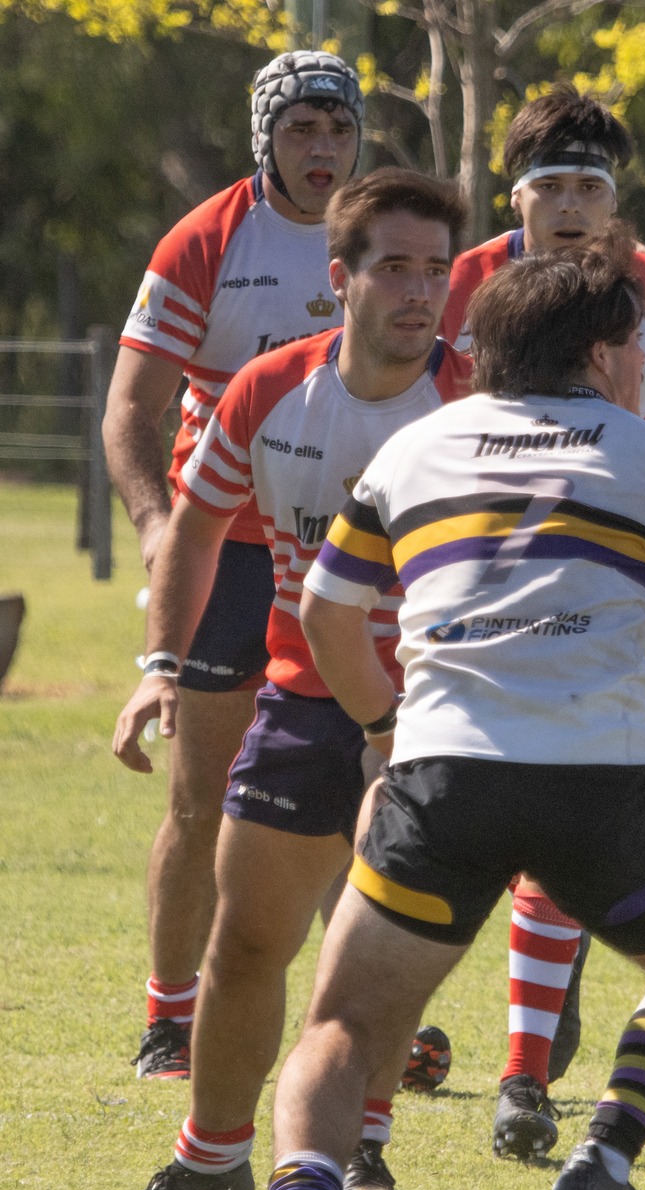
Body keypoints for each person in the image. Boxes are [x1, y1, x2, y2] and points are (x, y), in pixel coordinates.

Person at [245, 240, 645, 1190]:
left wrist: (380, 725)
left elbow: (326, 613)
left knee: (342, 1022)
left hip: (444, 775)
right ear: (602, 357)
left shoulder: (411, 453)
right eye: (640, 346)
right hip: (603, 783)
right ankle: (605, 1152)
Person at [108, 170, 471, 1190]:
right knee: (247, 941)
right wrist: (161, 663)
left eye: (435, 270)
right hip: (302, 701)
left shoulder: (478, 404)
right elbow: (195, 525)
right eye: (394, 267)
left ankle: (360, 1154)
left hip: (433, 716)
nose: (418, 292)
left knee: (374, 956)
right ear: (339, 278)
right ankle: (209, 1158)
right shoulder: (267, 389)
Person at [438, 88, 645, 1154]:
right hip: (465, 574)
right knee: (492, 803)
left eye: (592, 188)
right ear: (516, 199)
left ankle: (523, 1076)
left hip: (602, 581)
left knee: (547, 791)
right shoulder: (459, 286)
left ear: (616, 204)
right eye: (553, 189)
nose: (573, 208)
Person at [104, 50, 364, 1081]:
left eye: (338, 131)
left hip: (349, 558)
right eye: (302, 129)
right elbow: (132, 405)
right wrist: (154, 525)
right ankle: (170, 1017)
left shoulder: (380, 239)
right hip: (228, 552)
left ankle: (350, 1012)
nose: (323, 149)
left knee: (365, 792)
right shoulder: (206, 240)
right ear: (266, 137)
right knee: (202, 793)